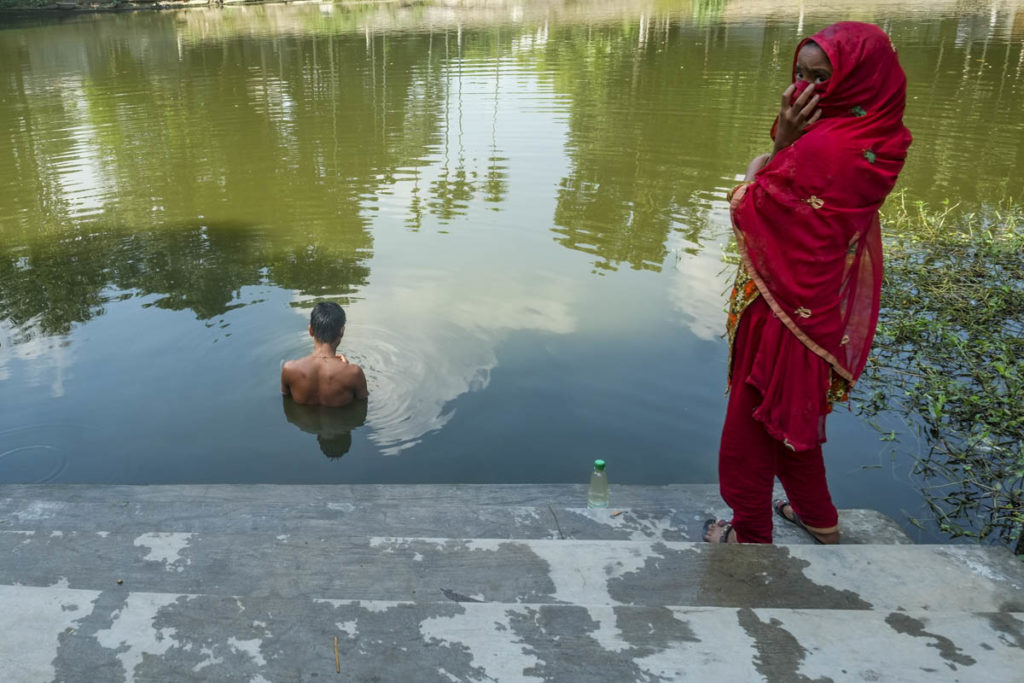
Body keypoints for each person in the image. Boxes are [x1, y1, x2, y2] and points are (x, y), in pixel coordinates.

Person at [703, 22, 912, 544]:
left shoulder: (825, 148)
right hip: (814, 310)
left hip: (781, 313)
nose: (805, 90)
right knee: (790, 422)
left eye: (822, 79)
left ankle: (748, 534)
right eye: (801, 74)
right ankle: (819, 519)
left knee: (749, 430)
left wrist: (780, 146)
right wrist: (787, 144)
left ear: (859, 83)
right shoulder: (878, 136)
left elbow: (750, 200)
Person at [281, 302, 369, 408]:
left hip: (305, 423)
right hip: (339, 423)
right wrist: (346, 367)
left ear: (310, 330)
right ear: (342, 331)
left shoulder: (289, 369)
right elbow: (362, 406)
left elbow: (286, 400)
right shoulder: (354, 373)